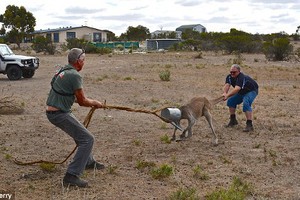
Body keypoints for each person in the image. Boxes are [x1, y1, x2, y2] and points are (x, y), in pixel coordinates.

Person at [46, 48, 105, 188]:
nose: (84, 63)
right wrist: (95, 103)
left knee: (82, 135)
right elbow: (82, 101)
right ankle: (71, 176)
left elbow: (59, 89)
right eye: (84, 60)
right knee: (87, 139)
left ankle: (88, 162)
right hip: (59, 114)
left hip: (55, 111)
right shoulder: (74, 76)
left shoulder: (61, 71)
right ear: (78, 61)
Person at [222, 64, 259, 132]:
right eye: (231, 72)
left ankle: (249, 125)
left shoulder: (241, 77)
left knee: (246, 103)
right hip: (242, 91)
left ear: (239, 71)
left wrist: (227, 95)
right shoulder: (229, 77)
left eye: (234, 72)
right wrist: (225, 93)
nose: (232, 73)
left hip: (251, 91)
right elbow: (227, 85)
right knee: (231, 101)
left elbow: (236, 89)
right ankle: (233, 121)